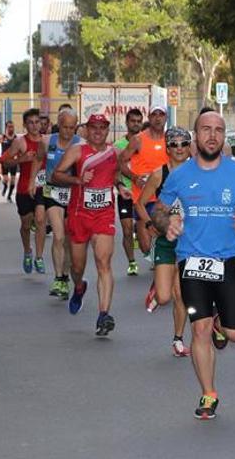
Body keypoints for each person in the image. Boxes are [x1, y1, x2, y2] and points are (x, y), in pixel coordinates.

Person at [151, 111, 235, 420]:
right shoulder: (179, 176)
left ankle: (221, 323)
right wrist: (167, 223)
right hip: (191, 260)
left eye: (218, 130)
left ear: (223, 136)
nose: (212, 135)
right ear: (196, 136)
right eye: (206, 129)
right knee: (198, 330)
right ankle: (208, 393)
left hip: (227, 260)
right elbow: (158, 210)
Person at [53, 114, 120, 336]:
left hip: (104, 214)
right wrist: (78, 180)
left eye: (102, 127)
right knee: (77, 267)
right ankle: (79, 286)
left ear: (108, 130)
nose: (98, 131)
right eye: (94, 127)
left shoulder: (113, 151)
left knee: (104, 262)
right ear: (87, 130)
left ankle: (103, 315)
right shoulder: (77, 151)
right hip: (79, 214)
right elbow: (56, 175)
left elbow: (116, 174)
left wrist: (122, 186)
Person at [135, 127, 192, 356]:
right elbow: (140, 203)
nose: (179, 148)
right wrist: (150, 225)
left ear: (189, 147)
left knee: (182, 294)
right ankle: (157, 290)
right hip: (167, 239)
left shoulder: (199, 172)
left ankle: (178, 340)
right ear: (167, 148)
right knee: (165, 296)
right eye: (174, 144)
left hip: (190, 241)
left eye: (183, 143)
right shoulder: (160, 173)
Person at [118, 106, 170, 299]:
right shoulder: (139, 139)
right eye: (154, 115)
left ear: (166, 117)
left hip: (165, 199)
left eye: (161, 115)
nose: (157, 118)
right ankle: (159, 265)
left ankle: (164, 276)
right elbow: (121, 162)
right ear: (149, 117)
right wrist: (133, 178)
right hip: (143, 198)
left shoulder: (172, 140)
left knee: (168, 238)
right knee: (146, 245)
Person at [31, 108, 82, 298]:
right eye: (64, 127)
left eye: (72, 128)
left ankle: (65, 276)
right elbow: (37, 160)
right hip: (52, 191)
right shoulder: (46, 141)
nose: (68, 132)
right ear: (58, 125)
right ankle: (58, 277)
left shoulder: (80, 144)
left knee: (69, 239)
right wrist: (31, 182)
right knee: (59, 236)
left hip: (73, 194)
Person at [0, 108, 46, 274]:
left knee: (41, 220)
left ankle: (39, 257)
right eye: (31, 123)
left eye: (37, 122)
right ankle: (28, 251)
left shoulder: (47, 141)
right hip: (24, 189)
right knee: (26, 224)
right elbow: (4, 162)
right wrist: (21, 159)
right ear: (25, 125)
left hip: (43, 187)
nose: (34, 126)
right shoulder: (20, 142)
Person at [113, 108, 144, 276]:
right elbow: (114, 171)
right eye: (133, 121)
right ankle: (132, 262)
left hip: (145, 195)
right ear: (127, 123)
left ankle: (151, 252)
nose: (136, 124)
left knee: (146, 229)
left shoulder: (145, 143)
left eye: (139, 121)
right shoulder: (118, 146)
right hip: (126, 194)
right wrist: (119, 186)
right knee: (126, 230)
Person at [0, 121, 18, 201]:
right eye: (9, 127)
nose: (11, 128)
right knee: (6, 179)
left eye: (12, 126)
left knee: (13, 179)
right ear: (6, 128)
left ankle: (9, 196)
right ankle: (5, 187)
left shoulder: (16, 138)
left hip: (13, 161)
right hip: (5, 161)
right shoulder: (3, 137)